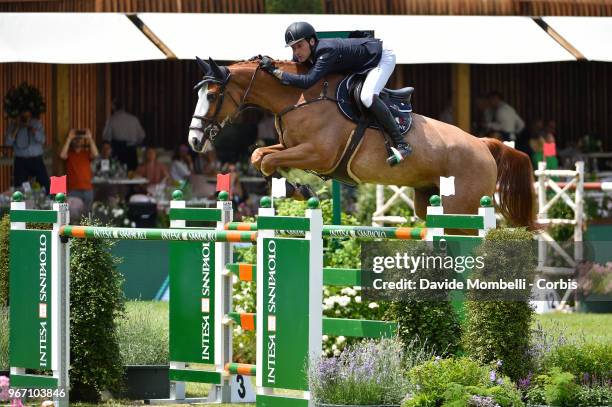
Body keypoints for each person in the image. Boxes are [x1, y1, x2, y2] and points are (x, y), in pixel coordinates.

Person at [259, 22, 412, 165]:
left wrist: (274, 71)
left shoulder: (326, 51)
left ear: (311, 41)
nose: (296, 52)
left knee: (366, 97)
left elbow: (306, 81)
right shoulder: (308, 53)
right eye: (293, 48)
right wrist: (271, 64)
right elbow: (293, 70)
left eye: (299, 46)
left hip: (381, 58)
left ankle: (402, 144)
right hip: (361, 62)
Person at [5, 110, 50, 192]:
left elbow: (43, 140)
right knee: (19, 186)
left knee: (45, 184)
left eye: (27, 116)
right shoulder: (13, 125)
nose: (25, 119)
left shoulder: (36, 124)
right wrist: (17, 127)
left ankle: (46, 202)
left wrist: (31, 129)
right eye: (23, 117)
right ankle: (21, 203)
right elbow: (8, 143)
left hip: (36, 159)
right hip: (20, 160)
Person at [59, 128, 99, 211]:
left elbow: (96, 154)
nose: (78, 141)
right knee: (73, 215)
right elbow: (62, 155)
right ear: (72, 141)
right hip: (73, 190)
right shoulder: (69, 153)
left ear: (82, 141)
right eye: (76, 139)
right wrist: (69, 138)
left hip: (87, 188)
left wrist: (90, 138)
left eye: (80, 139)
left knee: (88, 215)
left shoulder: (86, 153)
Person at [102, 99, 146, 170]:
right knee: (131, 175)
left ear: (113, 107)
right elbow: (142, 136)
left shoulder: (111, 120)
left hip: (117, 151)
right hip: (132, 152)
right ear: (123, 107)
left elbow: (106, 138)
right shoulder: (134, 119)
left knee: (118, 174)